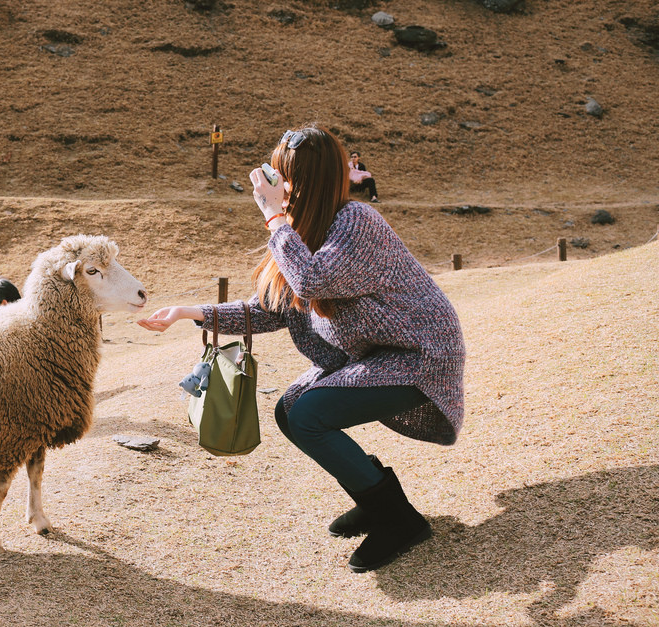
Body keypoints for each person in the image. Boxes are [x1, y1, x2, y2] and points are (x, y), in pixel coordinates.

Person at [138, 126, 465, 573]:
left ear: (305, 180)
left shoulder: (357, 222)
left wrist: (274, 220)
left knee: (309, 414)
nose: (273, 184)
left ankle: (400, 521)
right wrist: (189, 312)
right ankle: (374, 498)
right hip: (377, 354)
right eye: (274, 173)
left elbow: (312, 281)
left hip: (419, 355)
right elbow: (271, 309)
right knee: (290, 410)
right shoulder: (301, 230)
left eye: (282, 175)